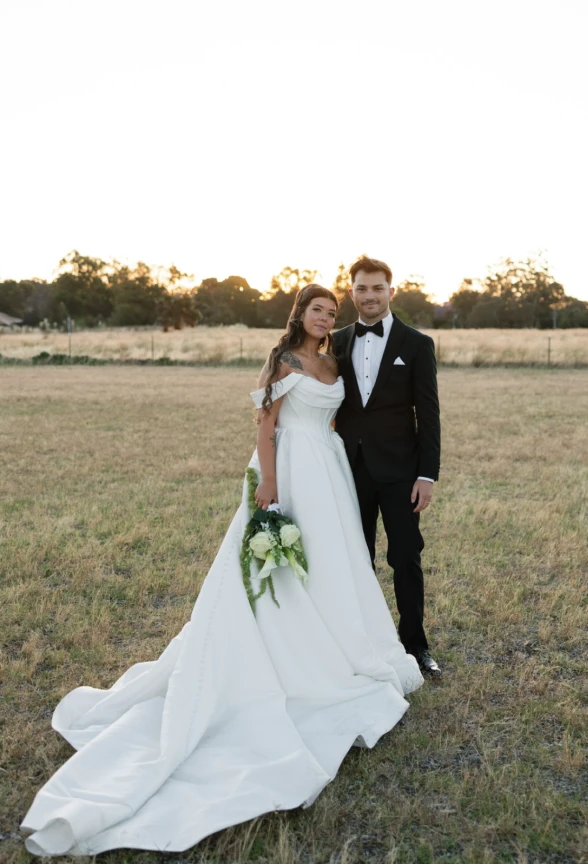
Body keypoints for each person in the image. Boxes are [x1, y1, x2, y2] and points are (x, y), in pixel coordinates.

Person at [21, 284, 422, 858]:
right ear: (300, 314)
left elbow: (340, 422)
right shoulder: (285, 360)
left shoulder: (333, 360)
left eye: (333, 312)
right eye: (318, 310)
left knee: (335, 566)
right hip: (289, 468)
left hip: (328, 470)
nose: (326, 318)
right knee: (279, 570)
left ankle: (338, 644)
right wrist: (270, 483)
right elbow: (267, 425)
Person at [333, 257, 442, 679]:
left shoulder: (417, 344)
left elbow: (428, 415)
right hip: (348, 472)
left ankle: (415, 645)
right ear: (351, 292)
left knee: (405, 559)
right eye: (362, 288)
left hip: (401, 474)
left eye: (378, 288)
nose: (370, 296)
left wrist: (426, 475)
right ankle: (358, 646)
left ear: (390, 292)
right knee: (355, 561)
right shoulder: (337, 342)